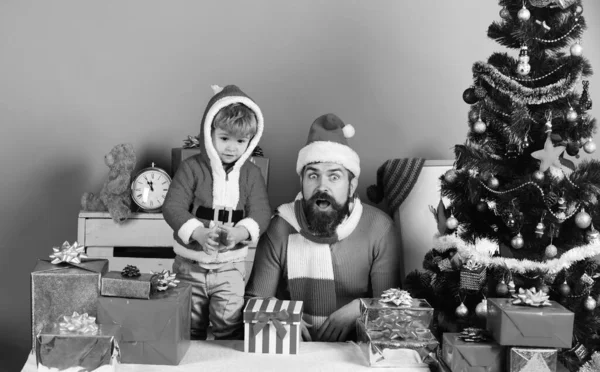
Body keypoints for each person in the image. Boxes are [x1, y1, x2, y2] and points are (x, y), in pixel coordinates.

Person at [245, 113, 401, 342]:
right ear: (302, 181)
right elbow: (253, 301)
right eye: (313, 176)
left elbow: (393, 305)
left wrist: (360, 308)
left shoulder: (379, 228)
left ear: (352, 185)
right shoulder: (280, 226)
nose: (322, 186)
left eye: (334, 177)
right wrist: (281, 318)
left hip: (355, 351)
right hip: (293, 350)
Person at [163, 84, 271, 340]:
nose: (232, 148)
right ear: (209, 133)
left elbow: (261, 212)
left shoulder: (251, 174)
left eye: (241, 141)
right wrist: (198, 232)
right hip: (189, 266)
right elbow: (173, 206)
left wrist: (240, 232)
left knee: (229, 325)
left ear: (251, 141)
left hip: (230, 268)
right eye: (224, 138)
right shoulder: (192, 168)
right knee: (187, 327)